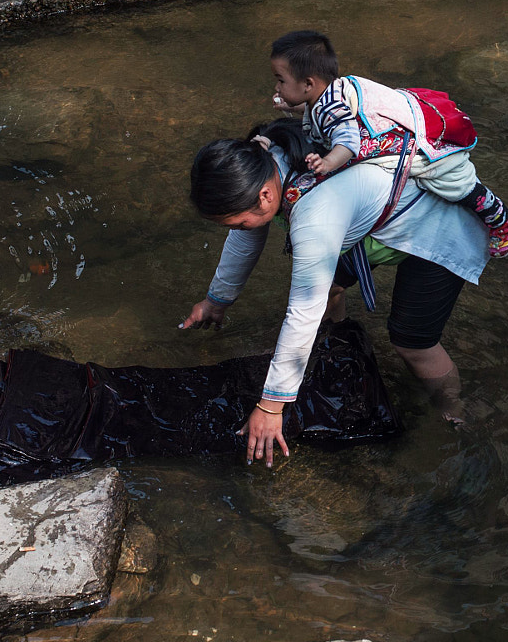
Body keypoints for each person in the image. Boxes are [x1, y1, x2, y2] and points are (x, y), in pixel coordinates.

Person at [179, 119, 488, 462]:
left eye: (236, 220)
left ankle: (454, 410)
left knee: (412, 342)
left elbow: (303, 309)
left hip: (438, 231)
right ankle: (336, 344)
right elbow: (245, 235)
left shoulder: (313, 213)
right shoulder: (268, 159)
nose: (237, 228)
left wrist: (271, 405)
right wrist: (216, 300)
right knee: (331, 289)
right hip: (376, 220)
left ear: (264, 196)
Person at [268, 30, 508, 258]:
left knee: (454, 184)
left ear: (308, 84)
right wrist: (293, 104)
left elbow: (347, 140)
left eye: (281, 80)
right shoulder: (329, 93)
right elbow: (323, 113)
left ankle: (500, 218)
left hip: (420, 141)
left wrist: (328, 161)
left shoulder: (332, 107)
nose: (277, 86)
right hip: (404, 118)